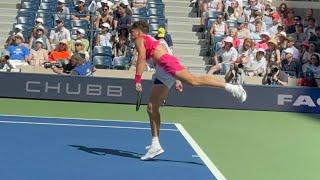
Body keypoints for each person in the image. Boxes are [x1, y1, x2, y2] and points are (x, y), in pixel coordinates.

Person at [130, 21, 247, 160]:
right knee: (151, 108)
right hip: (162, 70)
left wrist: (137, 79)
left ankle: (233, 88)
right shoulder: (152, 40)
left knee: (193, 81)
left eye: (132, 32)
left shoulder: (140, 39)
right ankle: (155, 145)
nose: (131, 35)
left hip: (165, 65)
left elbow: (142, 57)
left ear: (138, 31)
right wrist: (176, 79)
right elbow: (164, 54)